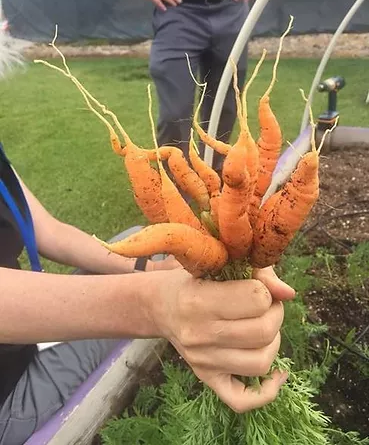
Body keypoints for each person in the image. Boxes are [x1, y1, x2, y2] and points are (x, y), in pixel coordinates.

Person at [0, 31, 294, 445]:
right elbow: (145, 300)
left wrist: (149, 266)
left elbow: (45, 230)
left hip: (21, 332)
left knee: (142, 239)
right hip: (7, 393)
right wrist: (151, 303)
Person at [109, 0, 275, 171]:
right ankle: (177, 188)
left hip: (231, 2)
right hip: (177, 9)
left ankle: (213, 176)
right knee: (174, 113)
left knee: (225, 105)